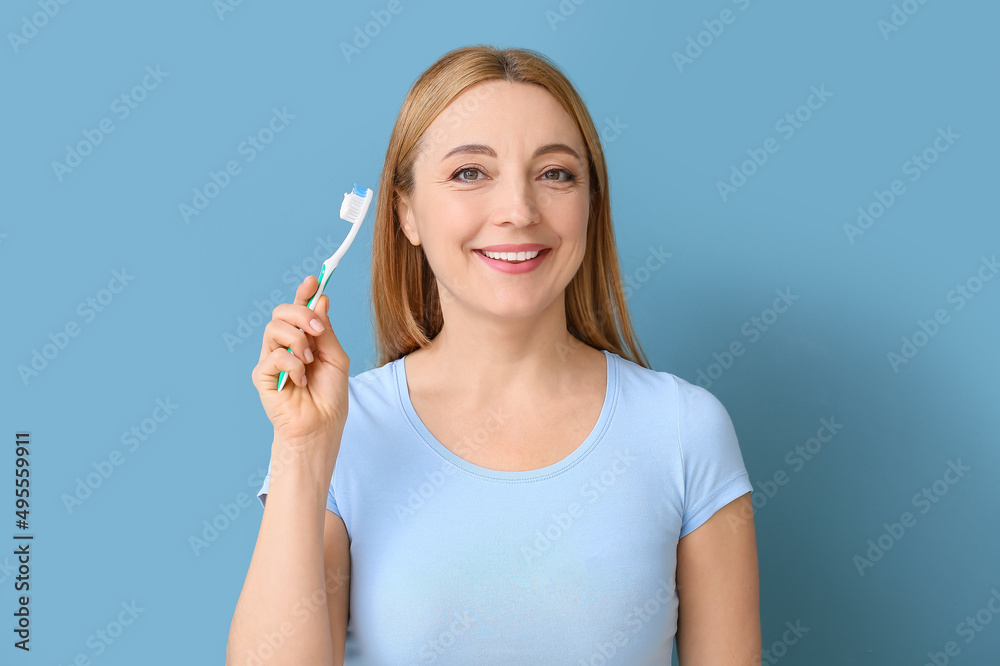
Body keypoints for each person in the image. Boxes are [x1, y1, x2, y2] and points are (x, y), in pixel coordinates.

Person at [227, 45, 760, 665]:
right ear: (406, 213)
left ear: (590, 203)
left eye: (555, 173)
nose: (518, 211)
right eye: (470, 173)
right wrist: (301, 454)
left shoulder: (683, 430)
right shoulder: (345, 430)